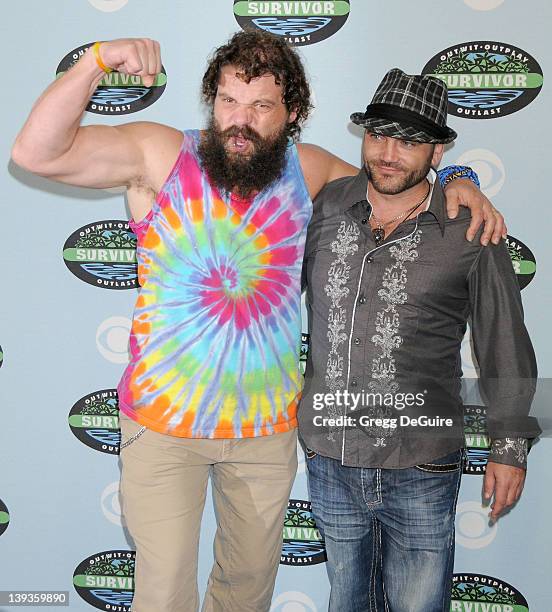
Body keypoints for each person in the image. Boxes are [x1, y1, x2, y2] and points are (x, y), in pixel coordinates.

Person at [12, 33, 503, 612]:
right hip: (165, 427)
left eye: (261, 106)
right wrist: (96, 62)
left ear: (292, 114)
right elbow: (35, 154)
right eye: (227, 101)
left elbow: (398, 180)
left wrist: (460, 178)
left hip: (265, 434)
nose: (239, 121)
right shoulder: (160, 154)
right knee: (164, 593)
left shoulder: (310, 169)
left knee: (247, 594)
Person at [298, 68, 539, 612]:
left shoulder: (470, 229)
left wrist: (508, 448)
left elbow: (505, 342)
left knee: (418, 605)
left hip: (421, 464)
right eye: (378, 134)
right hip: (330, 457)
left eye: (408, 141)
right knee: (345, 602)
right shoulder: (326, 206)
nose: (388, 153)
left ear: (437, 151)